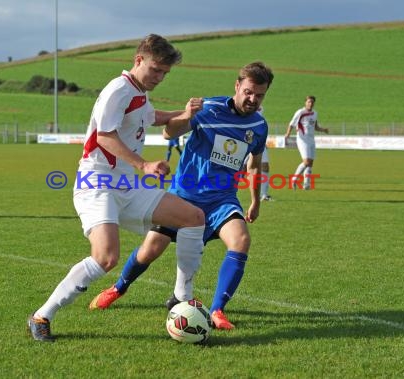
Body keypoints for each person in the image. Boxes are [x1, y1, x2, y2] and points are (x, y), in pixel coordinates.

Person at [27, 34, 206, 342]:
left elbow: (152, 118)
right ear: (139, 61)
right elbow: (104, 137)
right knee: (106, 258)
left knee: (193, 217)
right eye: (156, 70)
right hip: (96, 181)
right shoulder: (118, 90)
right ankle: (42, 315)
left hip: (127, 184)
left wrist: (183, 114)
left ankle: (181, 297)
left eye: (165, 73)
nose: (160, 77)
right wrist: (144, 165)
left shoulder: (139, 92)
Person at [89, 61, 274, 330]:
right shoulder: (209, 108)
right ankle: (118, 288)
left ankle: (217, 311)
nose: (252, 99)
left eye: (259, 95)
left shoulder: (259, 125)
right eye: (248, 92)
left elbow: (254, 165)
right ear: (237, 86)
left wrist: (255, 200)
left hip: (222, 199)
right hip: (185, 194)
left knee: (241, 240)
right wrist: (187, 115)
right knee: (149, 250)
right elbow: (168, 132)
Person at [284, 95, 328, 190]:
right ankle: (294, 179)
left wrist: (323, 130)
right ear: (305, 102)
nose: (310, 104)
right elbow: (291, 123)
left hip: (311, 140)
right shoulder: (300, 112)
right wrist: (287, 134)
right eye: (309, 102)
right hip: (302, 139)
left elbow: (315, 126)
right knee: (306, 161)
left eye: (312, 102)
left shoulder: (315, 113)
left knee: (310, 163)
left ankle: (306, 185)